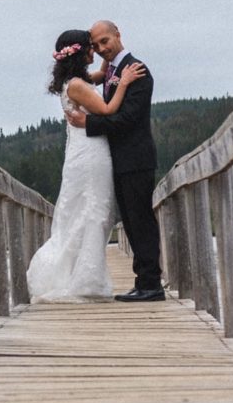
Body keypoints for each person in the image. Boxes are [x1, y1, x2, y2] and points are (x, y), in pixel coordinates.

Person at [27, 29, 145, 301]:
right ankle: (84, 281)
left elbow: (101, 75)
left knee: (88, 212)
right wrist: (125, 81)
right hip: (92, 155)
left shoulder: (75, 81)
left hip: (82, 154)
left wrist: (110, 53)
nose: (95, 51)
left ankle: (83, 277)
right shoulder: (78, 86)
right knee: (93, 211)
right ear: (80, 52)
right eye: (91, 48)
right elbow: (106, 110)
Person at [66, 18, 165, 301]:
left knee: (141, 221)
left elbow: (127, 120)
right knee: (132, 223)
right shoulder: (112, 69)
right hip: (121, 161)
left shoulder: (137, 71)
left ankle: (151, 285)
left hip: (136, 158)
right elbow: (92, 82)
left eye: (104, 42)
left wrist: (90, 123)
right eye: (95, 46)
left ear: (118, 34)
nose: (100, 49)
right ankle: (142, 281)